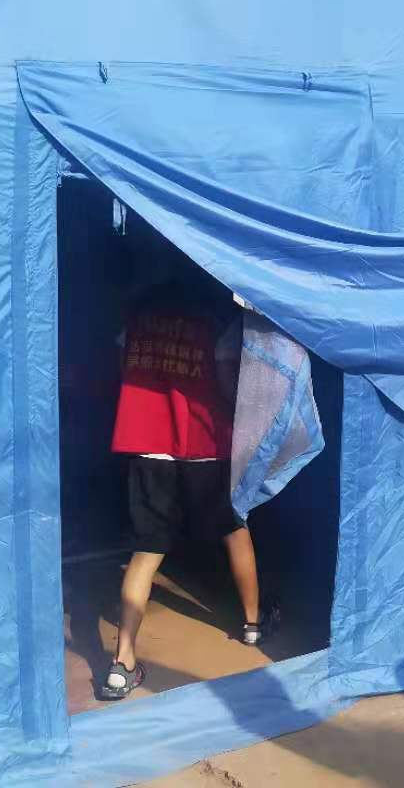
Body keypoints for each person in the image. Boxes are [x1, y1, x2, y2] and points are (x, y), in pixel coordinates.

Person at [98, 244, 262, 702]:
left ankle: (121, 664)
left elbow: (122, 366)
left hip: (148, 443)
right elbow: (229, 381)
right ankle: (253, 625)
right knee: (234, 529)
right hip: (204, 443)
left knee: (145, 553)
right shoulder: (216, 319)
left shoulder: (139, 316)